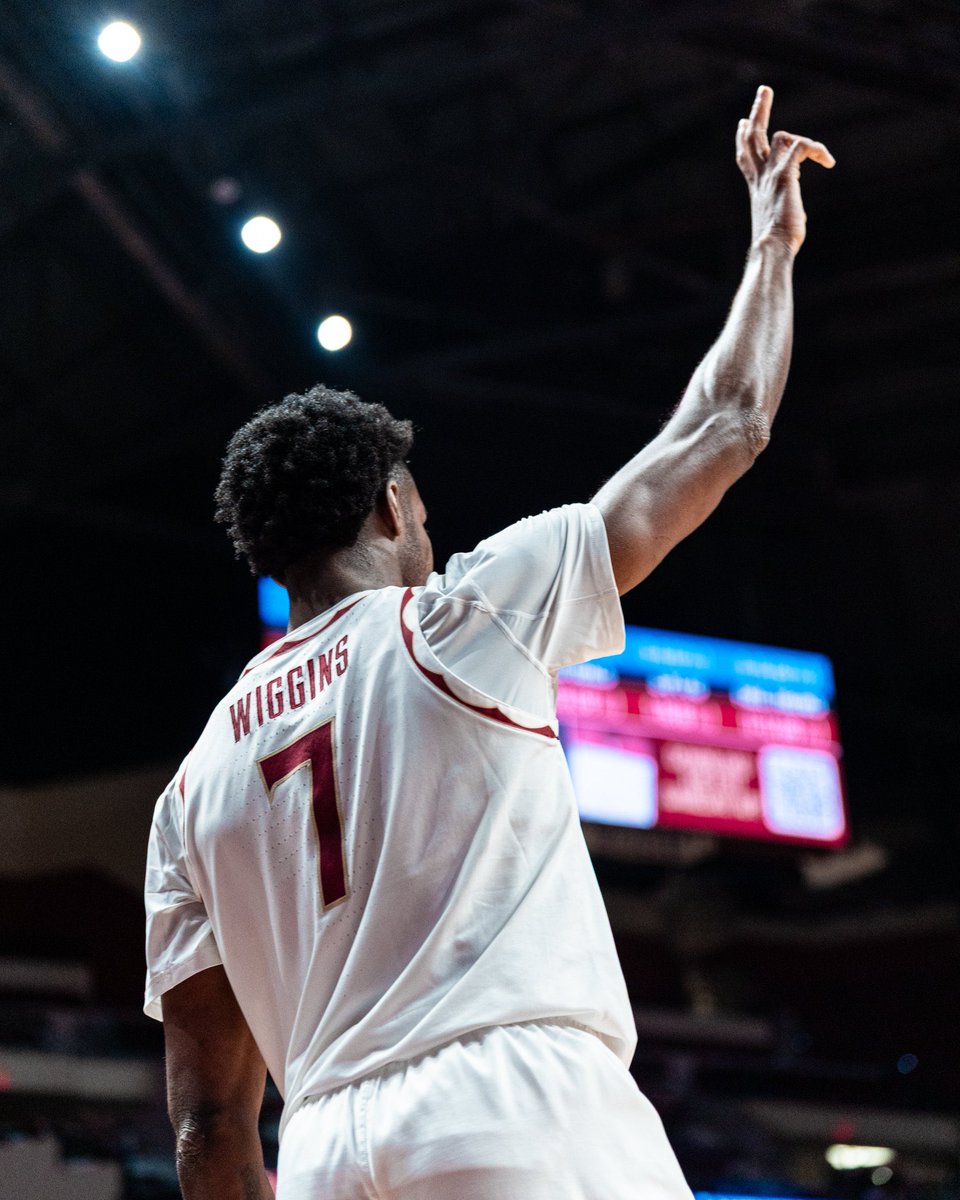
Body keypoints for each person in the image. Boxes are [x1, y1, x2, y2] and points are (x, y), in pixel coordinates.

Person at [144, 86, 833, 1200]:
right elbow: (726, 426)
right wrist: (772, 244)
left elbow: (212, 1125)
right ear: (392, 506)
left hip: (322, 1146)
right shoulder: (459, 620)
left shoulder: (190, 790)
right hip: (515, 1105)